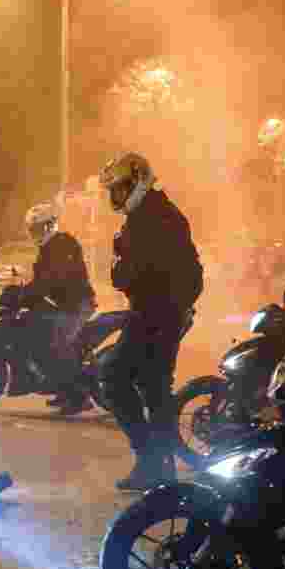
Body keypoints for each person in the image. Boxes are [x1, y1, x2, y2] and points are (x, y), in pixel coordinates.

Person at [99, 152, 204, 491]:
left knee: (114, 375)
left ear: (139, 182)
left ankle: (151, 460)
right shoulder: (148, 214)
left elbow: (131, 274)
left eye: (119, 188)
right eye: (112, 191)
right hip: (157, 313)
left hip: (155, 315)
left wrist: (171, 312)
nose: (115, 197)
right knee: (154, 388)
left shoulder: (156, 218)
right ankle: (161, 465)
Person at [18, 202, 97, 415]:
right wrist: (22, 293)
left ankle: (79, 396)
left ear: (49, 225)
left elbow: (54, 278)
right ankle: (62, 389)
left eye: (37, 228)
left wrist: (32, 292)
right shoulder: (46, 249)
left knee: (60, 342)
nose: (34, 233)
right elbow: (41, 280)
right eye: (31, 229)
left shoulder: (64, 244)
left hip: (79, 304)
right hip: (65, 304)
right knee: (42, 334)